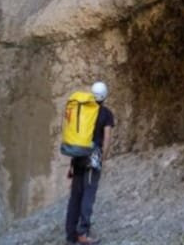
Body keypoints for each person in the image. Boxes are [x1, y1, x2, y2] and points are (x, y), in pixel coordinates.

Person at [65, 81, 114, 245]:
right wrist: (103, 157)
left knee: (75, 195)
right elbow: (106, 137)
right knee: (89, 193)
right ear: (105, 95)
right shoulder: (106, 113)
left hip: (77, 156)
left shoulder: (83, 110)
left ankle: (71, 234)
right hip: (93, 158)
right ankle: (83, 232)